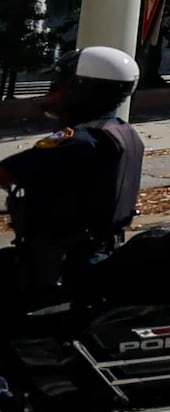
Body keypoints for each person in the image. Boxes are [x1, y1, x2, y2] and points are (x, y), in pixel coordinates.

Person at [3, 48, 145, 292]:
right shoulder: (122, 132)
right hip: (98, 254)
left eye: (58, 84)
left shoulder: (78, 142)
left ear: (81, 90)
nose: (51, 92)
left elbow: (7, 172)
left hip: (60, 266)